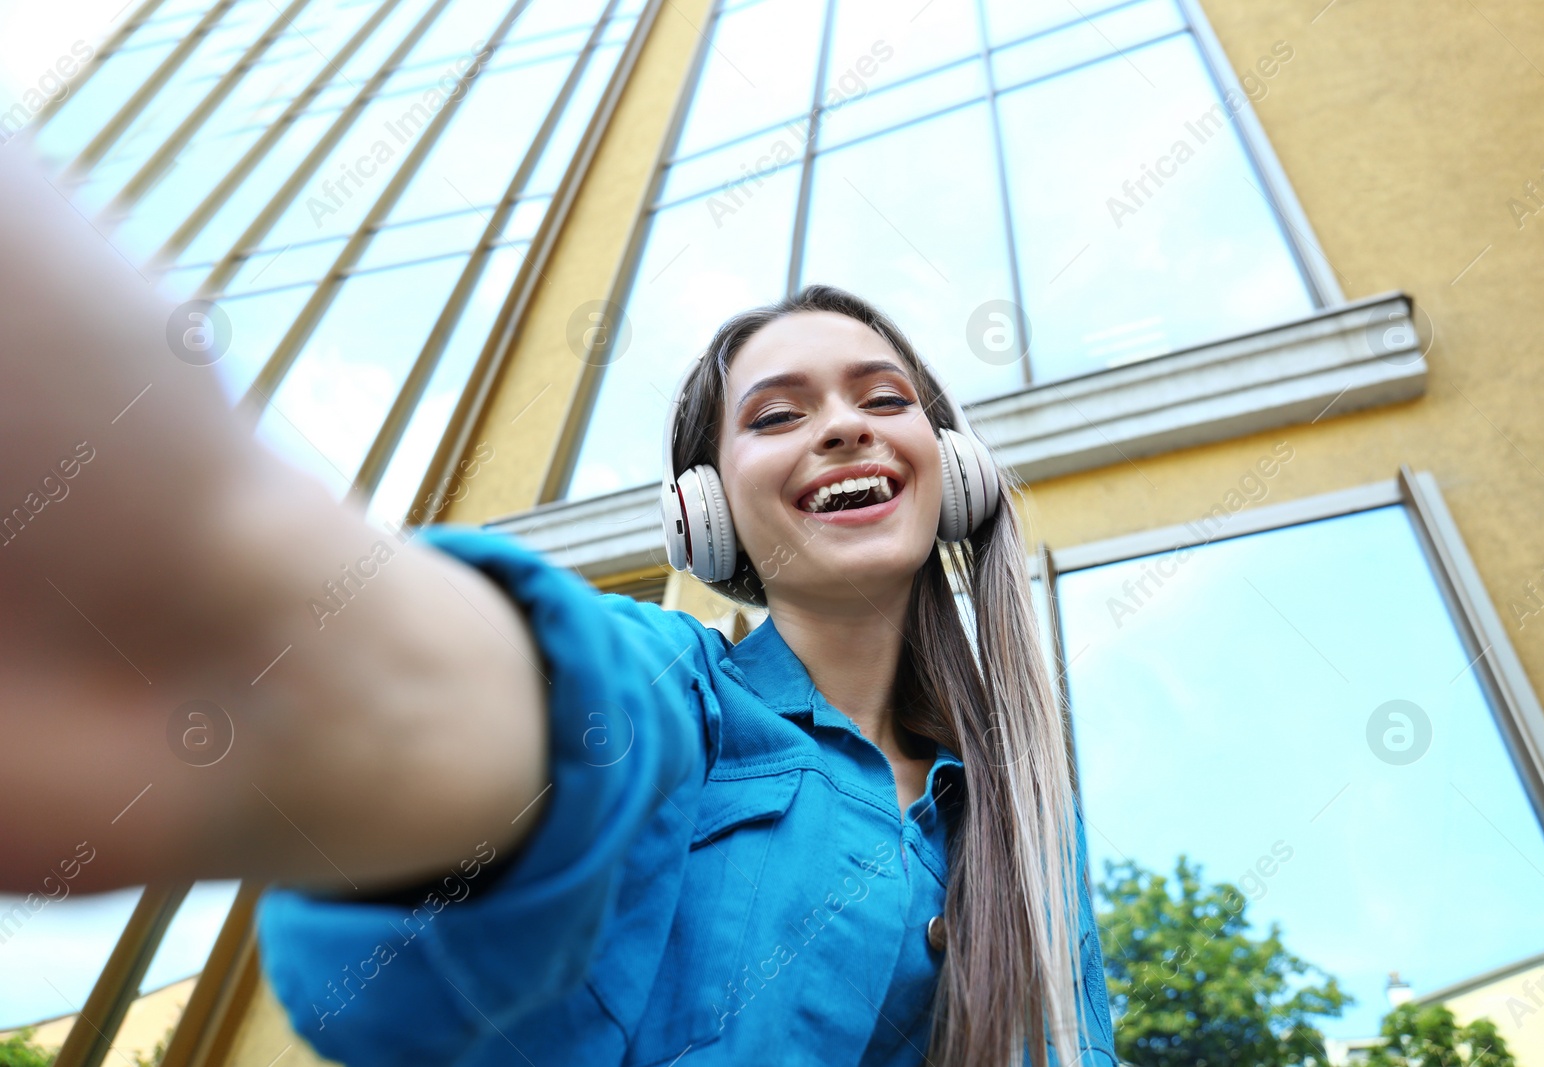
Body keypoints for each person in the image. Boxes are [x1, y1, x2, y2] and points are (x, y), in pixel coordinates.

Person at [0, 139, 1115, 1066]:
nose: (843, 425)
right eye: (776, 415)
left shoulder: (1025, 818)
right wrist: (268, 583)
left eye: (885, 398)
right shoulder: (673, 687)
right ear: (706, 512)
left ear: (951, 466)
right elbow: (568, 711)